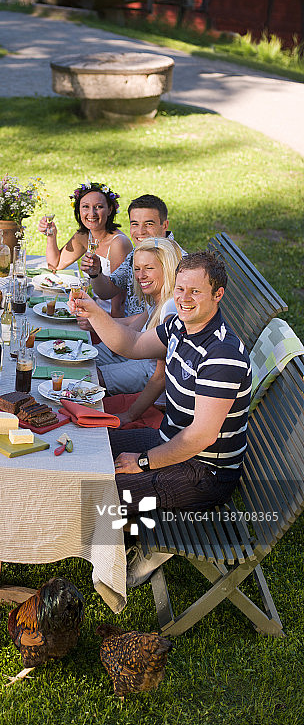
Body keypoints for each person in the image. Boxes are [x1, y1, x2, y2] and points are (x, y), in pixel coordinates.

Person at [70, 251, 251, 586]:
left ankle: (127, 556)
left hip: (203, 474)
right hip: (169, 440)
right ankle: (119, 532)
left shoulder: (223, 356)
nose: (183, 298)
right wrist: (93, 312)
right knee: (81, 444)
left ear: (217, 294)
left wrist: (142, 462)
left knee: (97, 490)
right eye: (180, 289)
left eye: (195, 291)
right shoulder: (179, 325)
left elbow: (200, 437)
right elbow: (133, 344)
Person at [95, 237, 183, 395]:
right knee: (83, 358)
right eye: (136, 269)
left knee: (93, 377)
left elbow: (158, 373)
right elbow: (130, 332)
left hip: (149, 375)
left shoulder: (170, 308)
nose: (140, 276)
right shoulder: (155, 299)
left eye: (148, 268)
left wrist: (95, 317)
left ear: (167, 269)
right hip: (139, 359)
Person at [37, 181, 132, 316]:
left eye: (98, 207)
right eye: (85, 207)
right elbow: (55, 265)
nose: (91, 213)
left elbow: (119, 304)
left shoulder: (119, 243)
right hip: (93, 311)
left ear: (110, 209)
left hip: (113, 319)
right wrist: (51, 235)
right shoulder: (84, 236)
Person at [84, 194, 184, 317]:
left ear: (164, 225)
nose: (140, 231)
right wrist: (96, 273)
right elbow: (107, 291)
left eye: (149, 224)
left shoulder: (180, 262)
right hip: (133, 330)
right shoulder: (136, 253)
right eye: (135, 224)